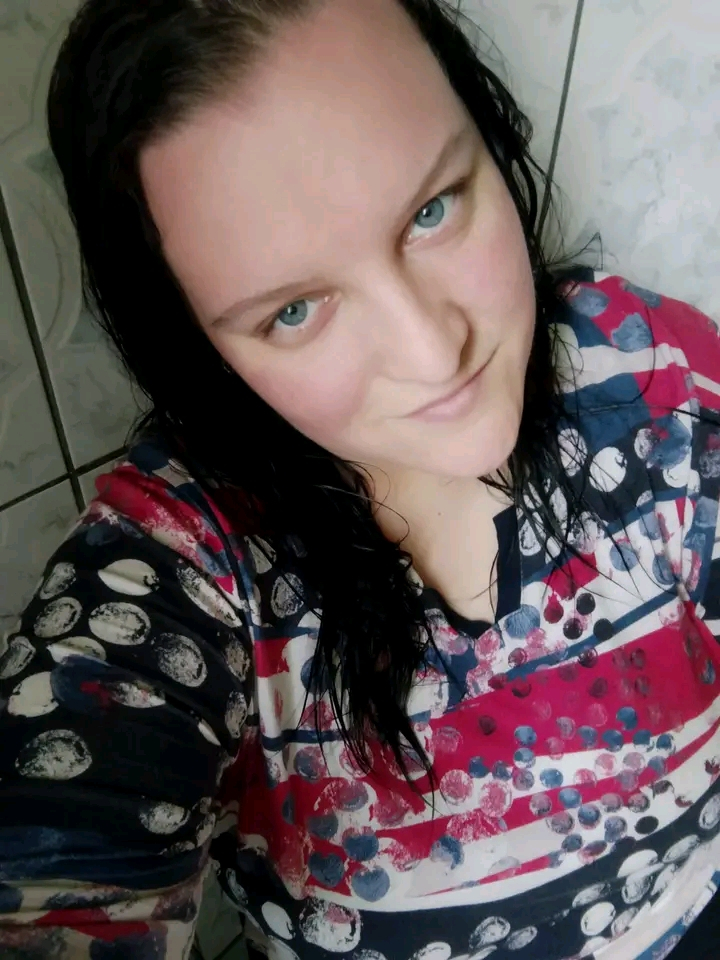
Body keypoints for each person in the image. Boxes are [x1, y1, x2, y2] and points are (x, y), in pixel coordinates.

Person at [1, 0, 719, 957]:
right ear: (199, 344)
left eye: (432, 210)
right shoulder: (180, 573)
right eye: (295, 310)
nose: (434, 351)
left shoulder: (648, 374)